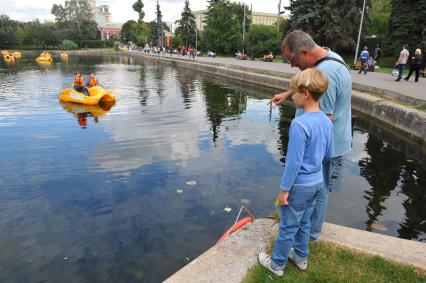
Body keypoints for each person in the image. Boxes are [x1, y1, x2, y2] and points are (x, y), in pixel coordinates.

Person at [271, 30, 352, 241]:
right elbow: (311, 84)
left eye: (293, 60)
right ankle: (307, 230)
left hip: (323, 149)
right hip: (331, 143)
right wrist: (289, 93)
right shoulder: (330, 58)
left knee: (319, 189)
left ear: (305, 52)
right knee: (318, 188)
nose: (292, 66)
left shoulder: (327, 73)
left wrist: (301, 155)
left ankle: (311, 234)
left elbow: (324, 121)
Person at [258, 68, 333, 277]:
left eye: (295, 92)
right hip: (317, 183)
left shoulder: (299, 124)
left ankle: (277, 264)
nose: (292, 96)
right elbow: (329, 155)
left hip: (299, 185)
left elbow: (293, 163)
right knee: (305, 222)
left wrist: (284, 191)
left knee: (288, 226)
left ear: (306, 94)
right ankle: (301, 258)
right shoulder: (327, 121)